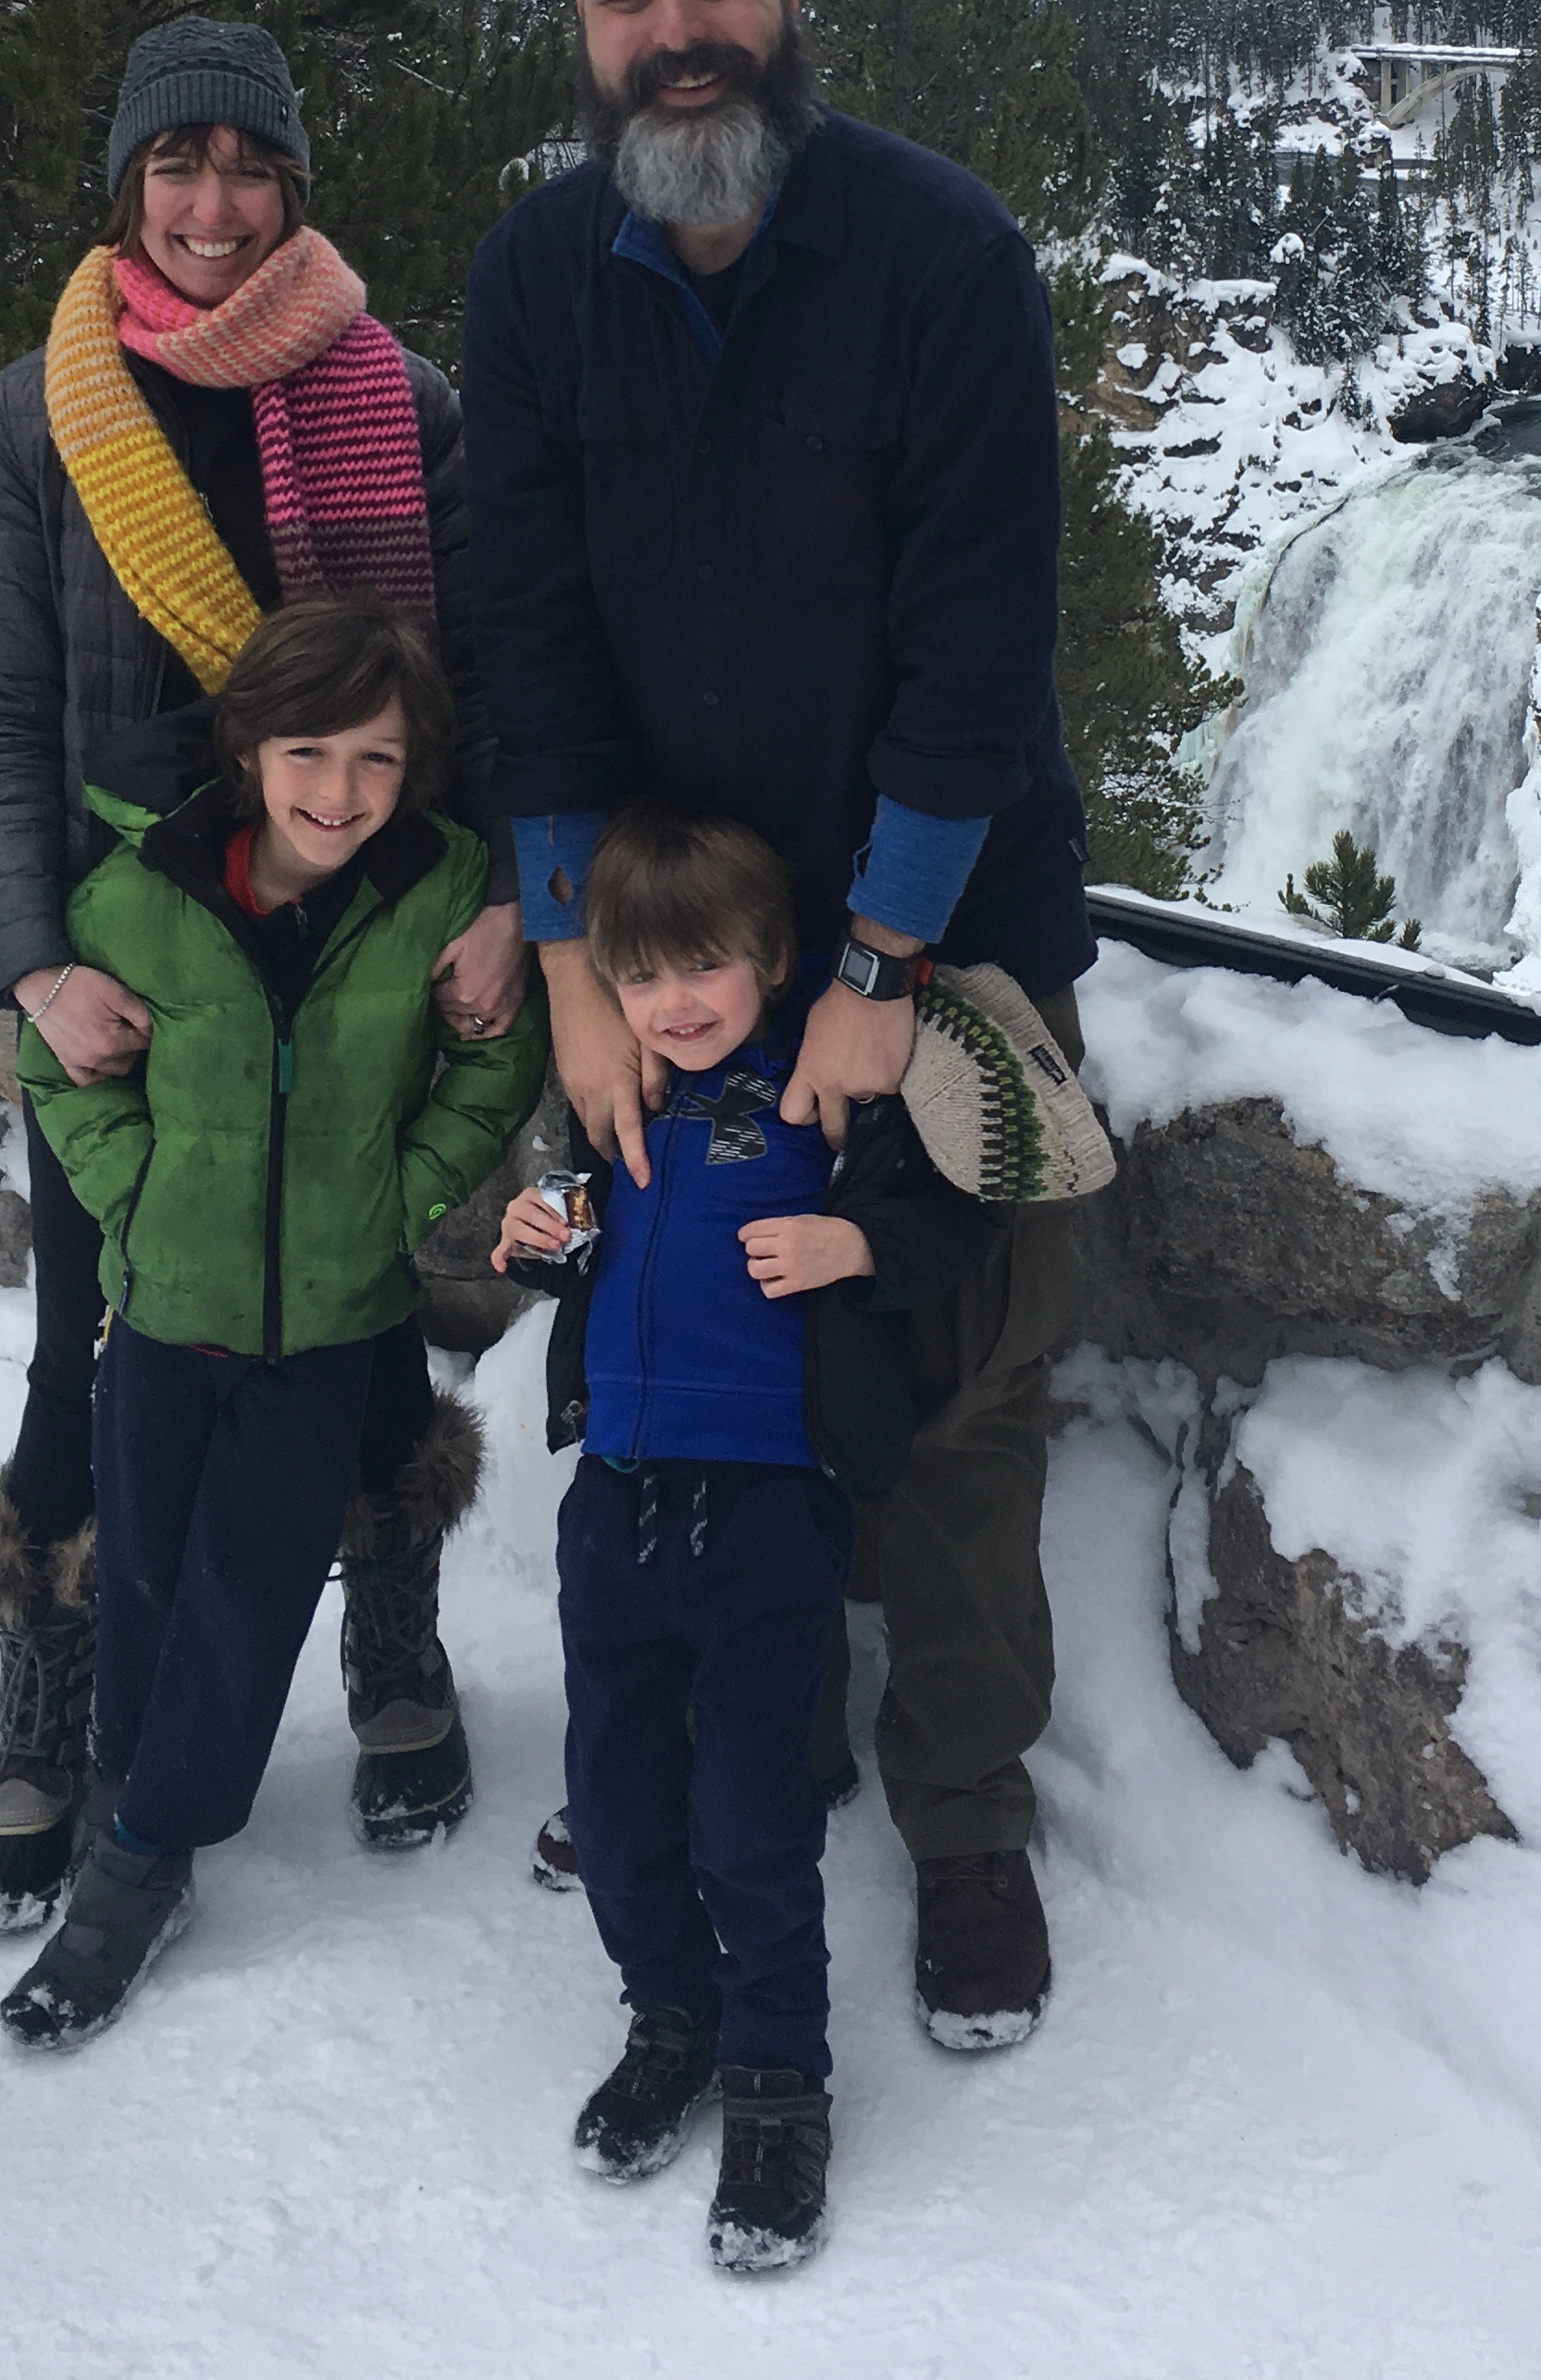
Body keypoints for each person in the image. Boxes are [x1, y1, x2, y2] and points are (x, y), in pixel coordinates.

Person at [461, 0, 1093, 2048]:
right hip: (663, 958)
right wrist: (566, 969)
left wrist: (883, 964)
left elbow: (979, 650)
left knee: (948, 1394)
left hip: (941, 935)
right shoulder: (540, 282)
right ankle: (762, 1737)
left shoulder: (937, 256)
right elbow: (524, 641)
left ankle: (967, 1817)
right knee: (695, 1347)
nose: (677, 28)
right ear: (588, 28)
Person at [0, 18, 530, 1928]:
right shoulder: (48, 408)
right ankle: (60, 1697)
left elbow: (491, 690)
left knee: (352, 1298)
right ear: (129, 185)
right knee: (86, 1331)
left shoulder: (400, 401)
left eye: (247, 167)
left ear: (295, 187)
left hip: (353, 921)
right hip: (133, 950)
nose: (212, 204)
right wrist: (32, 963)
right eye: (175, 167)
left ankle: (390, 1641)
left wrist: (502, 894)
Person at [0, 596, 547, 2047]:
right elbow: (61, 1073)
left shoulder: (433, 893)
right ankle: (128, 1783)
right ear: (245, 749)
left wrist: (394, 1199)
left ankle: (137, 1864)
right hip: (164, 1321)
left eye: (377, 757)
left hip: (324, 1330)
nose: (340, 791)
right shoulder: (139, 897)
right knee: (146, 1580)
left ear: (414, 761)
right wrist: (138, 1200)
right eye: (307, 750)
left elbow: (495, 1074)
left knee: (242, 1592)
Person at [492, 805, 993, 2268]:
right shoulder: (623, 1094)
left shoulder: (820, 1095)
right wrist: (547, 1233)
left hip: (769, 1508)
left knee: (750, 1825)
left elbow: (953, 1224)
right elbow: (595, 1229)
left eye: (707, 966)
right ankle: (673, 2017)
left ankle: (780, 2084)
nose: (677, 1002)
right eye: (643, 978)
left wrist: (850, 1244)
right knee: (622, 1801)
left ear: (777, 961)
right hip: (618, 1505)